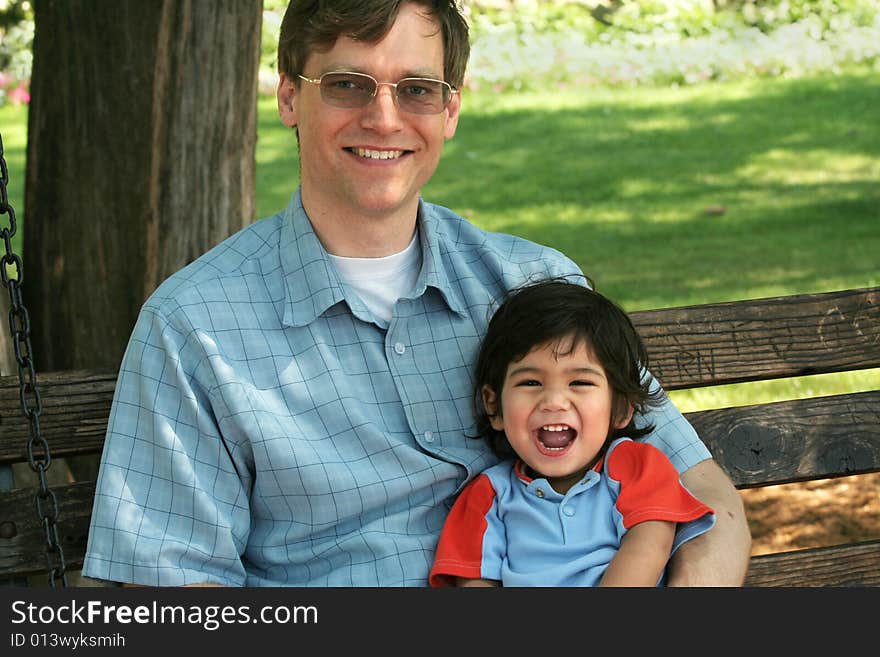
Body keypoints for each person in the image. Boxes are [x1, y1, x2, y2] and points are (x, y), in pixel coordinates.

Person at [82, 0, 750, 587]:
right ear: (289, 95)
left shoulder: (534, 288)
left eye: (417, 89)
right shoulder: (196, 328)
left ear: (451, 108)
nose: (383, 117)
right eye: (347, 84)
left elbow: (701, 489)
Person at [429, 279, 717, 587]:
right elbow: (474, 581)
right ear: (494, 405)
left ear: (620, 407)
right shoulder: (488, 495)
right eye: (530, 383)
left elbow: (648, 546)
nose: (553, 402)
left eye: (580, 382)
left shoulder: (636, 467)